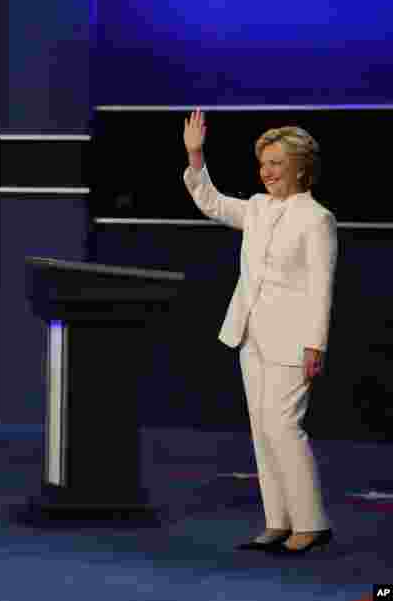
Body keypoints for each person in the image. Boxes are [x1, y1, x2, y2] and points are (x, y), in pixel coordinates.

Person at [182, 109, 336, 555]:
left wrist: (315, 343)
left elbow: (320, 288)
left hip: (293, 340)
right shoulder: (257, 208)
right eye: (263, 163)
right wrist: (195, 154)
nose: (266, 171)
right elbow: (209, 202)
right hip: (250, 335)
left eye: (276, 163)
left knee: (285, 427)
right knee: (263, 429)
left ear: (301, 168)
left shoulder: (317, 219)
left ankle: (311, 523)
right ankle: (279, 521)